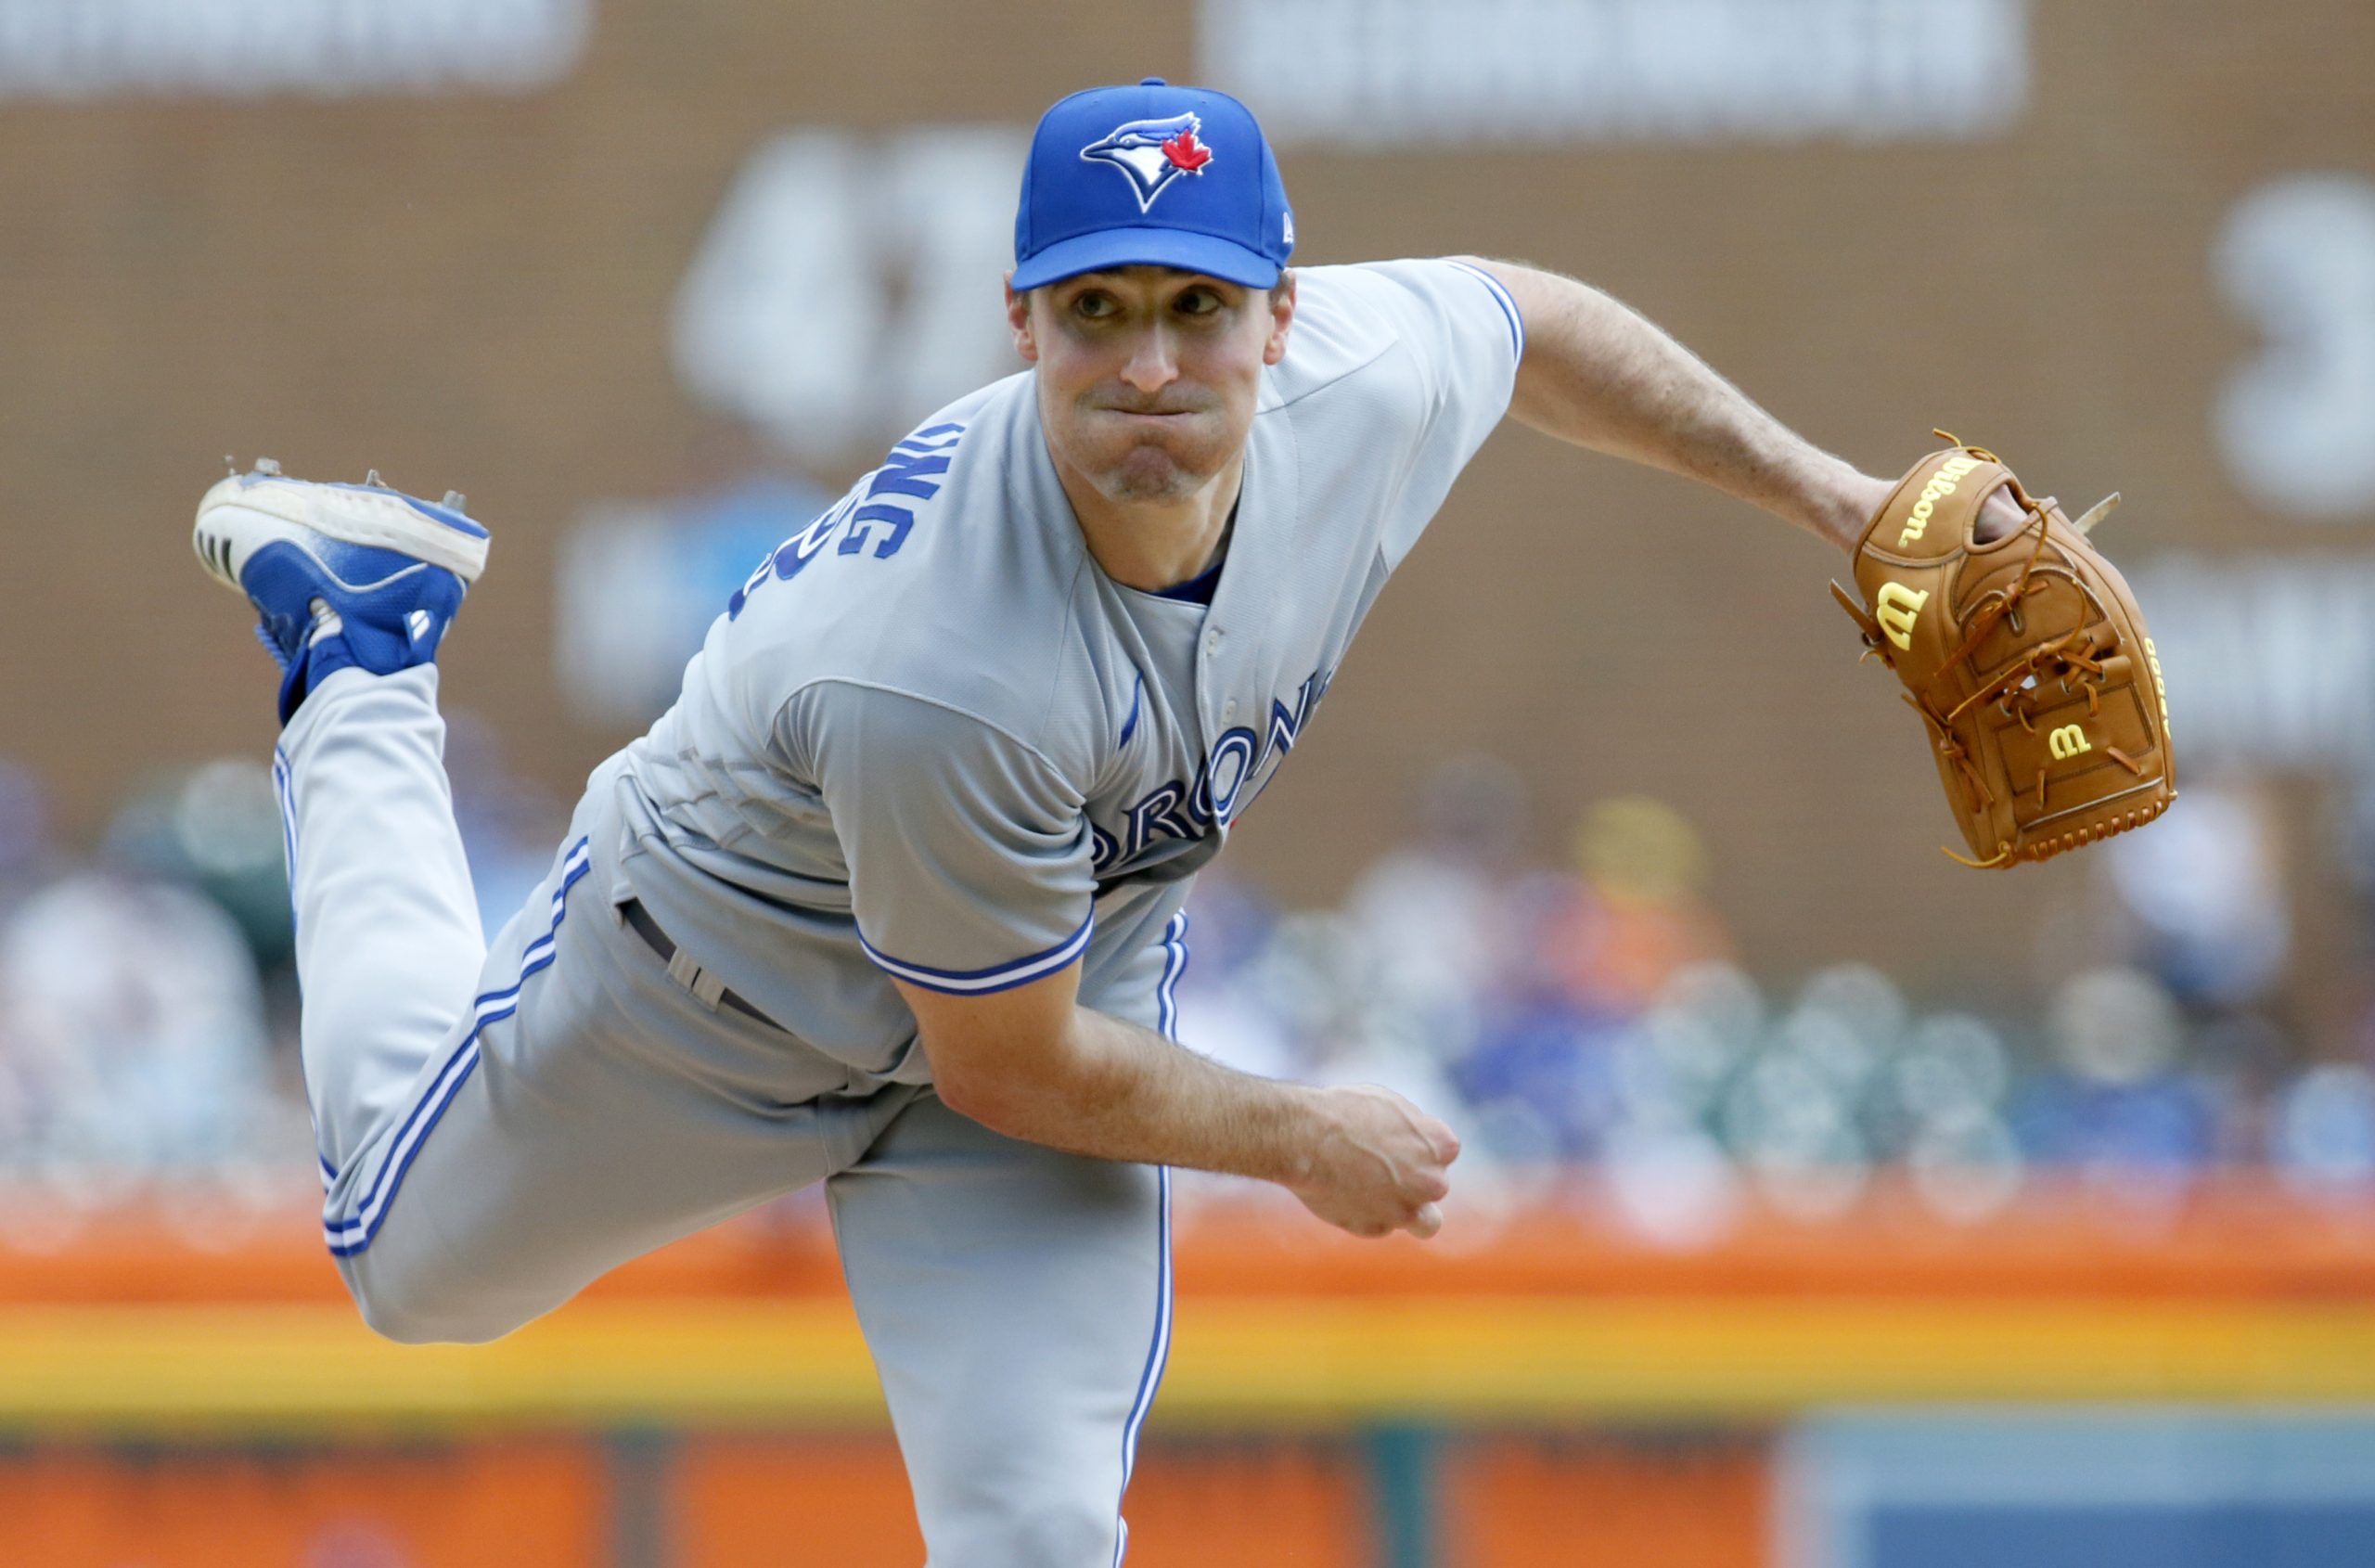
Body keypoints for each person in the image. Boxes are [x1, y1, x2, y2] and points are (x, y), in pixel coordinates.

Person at [192, 77, 2008, 1566]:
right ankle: (359, 647)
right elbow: (1014, 1068)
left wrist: (1833, 497)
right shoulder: (938, 660)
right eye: (1097, 311)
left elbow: (1525, 321)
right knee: (406, 1271)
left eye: (1196, 307)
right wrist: (1297, 1132)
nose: (1149, 361)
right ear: (1022, 324)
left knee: (1039, 1527)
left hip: (1029, 986)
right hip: (709, 996)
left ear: (1279, 316)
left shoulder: (1350, 382)